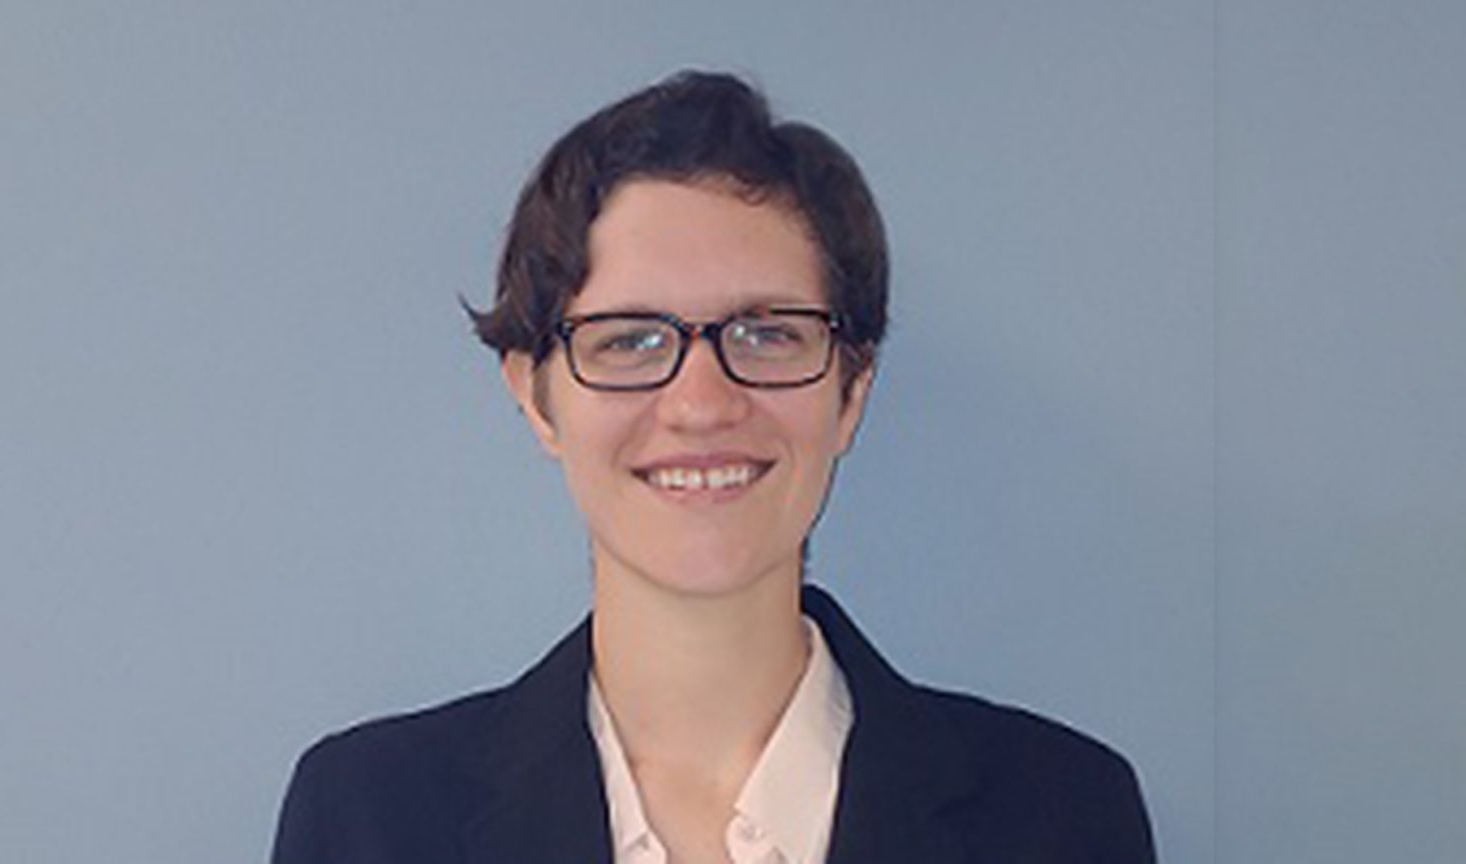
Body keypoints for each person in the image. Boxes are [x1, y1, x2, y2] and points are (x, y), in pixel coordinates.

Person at [271, 70, 1156, 864]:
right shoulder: (370, 820)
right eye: (629, 340)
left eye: (766, 334)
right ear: (537, 399)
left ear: (852, 391)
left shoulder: (1063, 818)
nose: (701, 403)